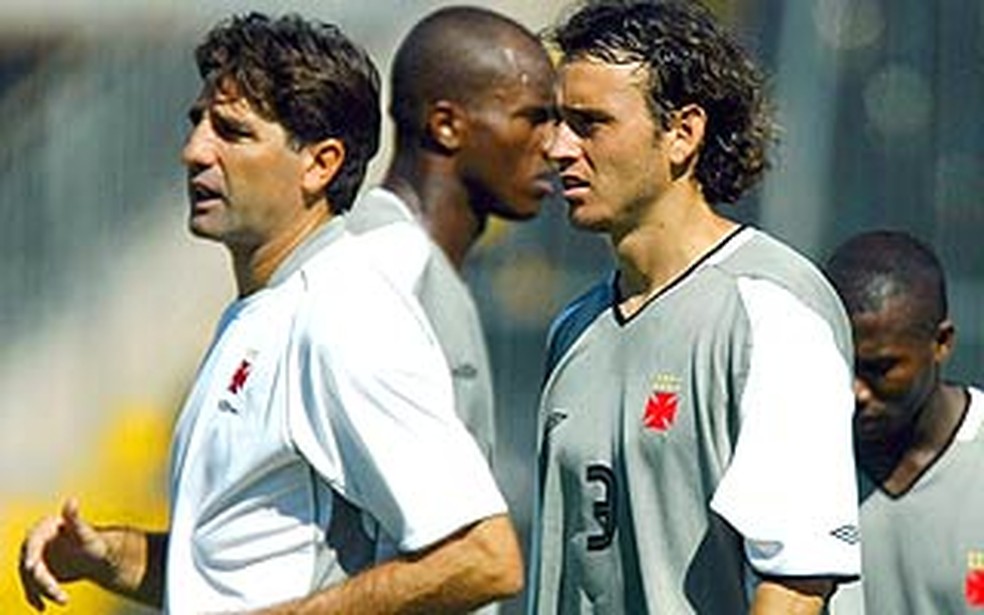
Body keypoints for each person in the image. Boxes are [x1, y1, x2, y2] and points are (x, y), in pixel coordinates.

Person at [18, 12, 522, 613]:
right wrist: (109, 555)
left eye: (232, 132)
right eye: (197, 122)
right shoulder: (265, 309)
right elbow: (238, 579)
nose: (193, 151)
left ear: (320, 164)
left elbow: (482, 555)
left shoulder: (346, 314)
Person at [530, 1, 861, 612]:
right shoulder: (574, 329)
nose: (557, 147)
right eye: (557, 121)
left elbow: (796, 586)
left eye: (589, 123)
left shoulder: (770, 310)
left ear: (683, 132)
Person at [346, 6, 556, 464]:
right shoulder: (384, 271)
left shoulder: (420, 266)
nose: (555, 145)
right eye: (534, 119)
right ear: (446, 125)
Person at [824, 230, 984, 613]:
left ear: (941, 343)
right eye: (840, 365)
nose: (856, 391)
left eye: (880, 368)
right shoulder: (795, 466)